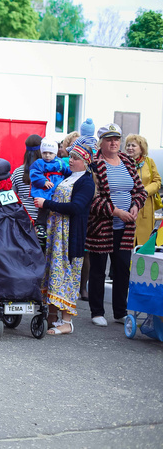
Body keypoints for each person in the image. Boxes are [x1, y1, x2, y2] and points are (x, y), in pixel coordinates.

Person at [86, 123, 146, 327]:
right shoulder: (94, 164)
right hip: (101, 227)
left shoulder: (128, 162)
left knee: (122, 269)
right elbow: (92, 198)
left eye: (117, 139)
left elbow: (140, 190)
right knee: (98, 270)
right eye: (109, 139)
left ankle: (120, 311)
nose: (114, 142)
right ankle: (96, 311)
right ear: (101, 142)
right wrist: (115, 211)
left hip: (125, 227)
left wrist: (136, 206)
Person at [33, 144, 95, 335]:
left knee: (67, 273)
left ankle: (66, 322)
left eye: (76, 158)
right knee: (53, 271)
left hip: (69, 235)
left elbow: (76, 207)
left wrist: (47, 203)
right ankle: (51, 315)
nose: (72, 161)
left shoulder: (86, 182)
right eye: (71, 157)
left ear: (85, 162)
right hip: (56, 233)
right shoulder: (69, 177)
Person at [30, 137, 71, 240]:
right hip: (44, 190)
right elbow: (34, 174)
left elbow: (67, 172)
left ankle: (53, 228)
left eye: (50, 153)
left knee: (54, 209)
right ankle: (40, 226)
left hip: (56, 189)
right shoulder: (38, 163)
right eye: (45, 153)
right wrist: (43, 181)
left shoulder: (61, 163)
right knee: (43, 208)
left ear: (55, 153)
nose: (47, 155)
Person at [125, 134, 161, 245]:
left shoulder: (149, 162)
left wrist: (145, 191)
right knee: (126, 243)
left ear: (141, 149)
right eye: (128, 145)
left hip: (145, 207)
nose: (130, 148)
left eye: (133, 146)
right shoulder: (122, 162)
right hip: (127, 207)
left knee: (143, 243)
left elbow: (157, 181)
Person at [10, 134, 42, 224]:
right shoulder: (47, 173)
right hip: (41, 220)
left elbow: (11, 195)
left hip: (22, 217)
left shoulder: (17, 172)